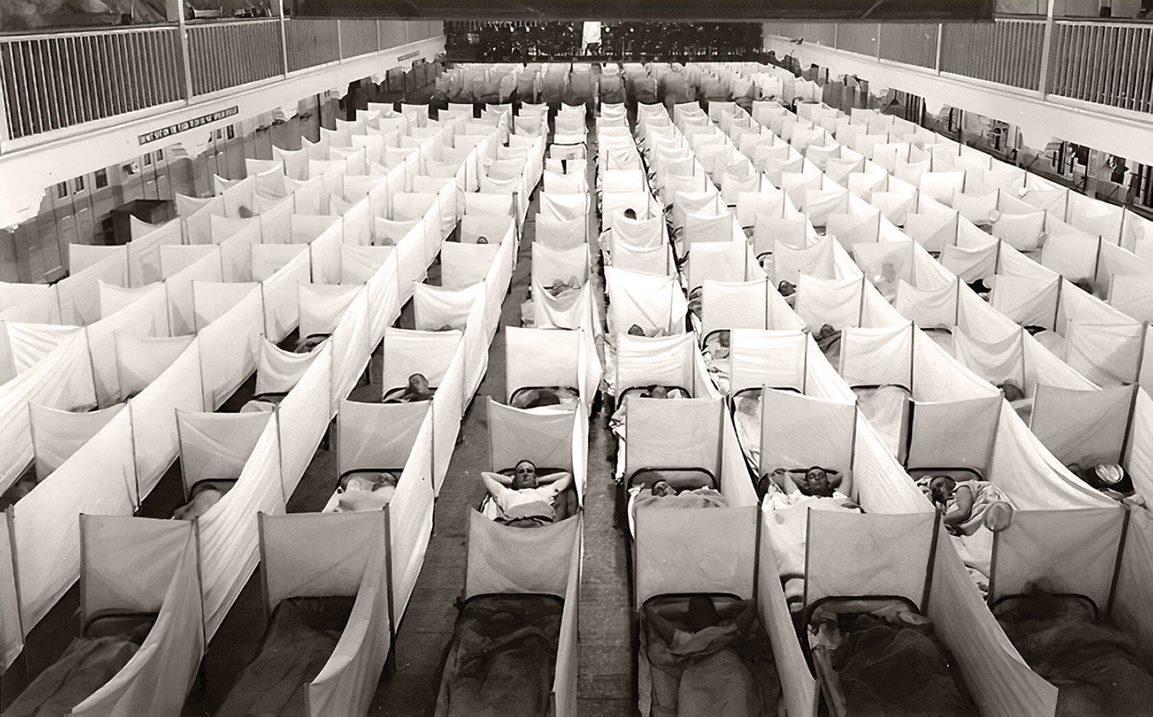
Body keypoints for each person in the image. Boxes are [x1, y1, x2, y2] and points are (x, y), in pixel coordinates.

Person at [481, 460, 573, 527]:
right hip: (513, 526)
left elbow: (568, 476)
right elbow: (485, 475)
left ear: (534, 476)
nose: (525, 474)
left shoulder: (545, 491)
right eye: (520, 471)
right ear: (515, 477)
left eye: (529, 471)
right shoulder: (506, 493)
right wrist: (511, 480)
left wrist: (539, 479)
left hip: (540, 525)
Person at [928, 475, 1010, 536]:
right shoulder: (948, 502)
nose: (938, 490)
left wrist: (938, 522)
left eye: (940, 485)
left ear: (950, 481)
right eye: (935, 490)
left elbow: (963, 512)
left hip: (986, 516)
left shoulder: (962, 488)